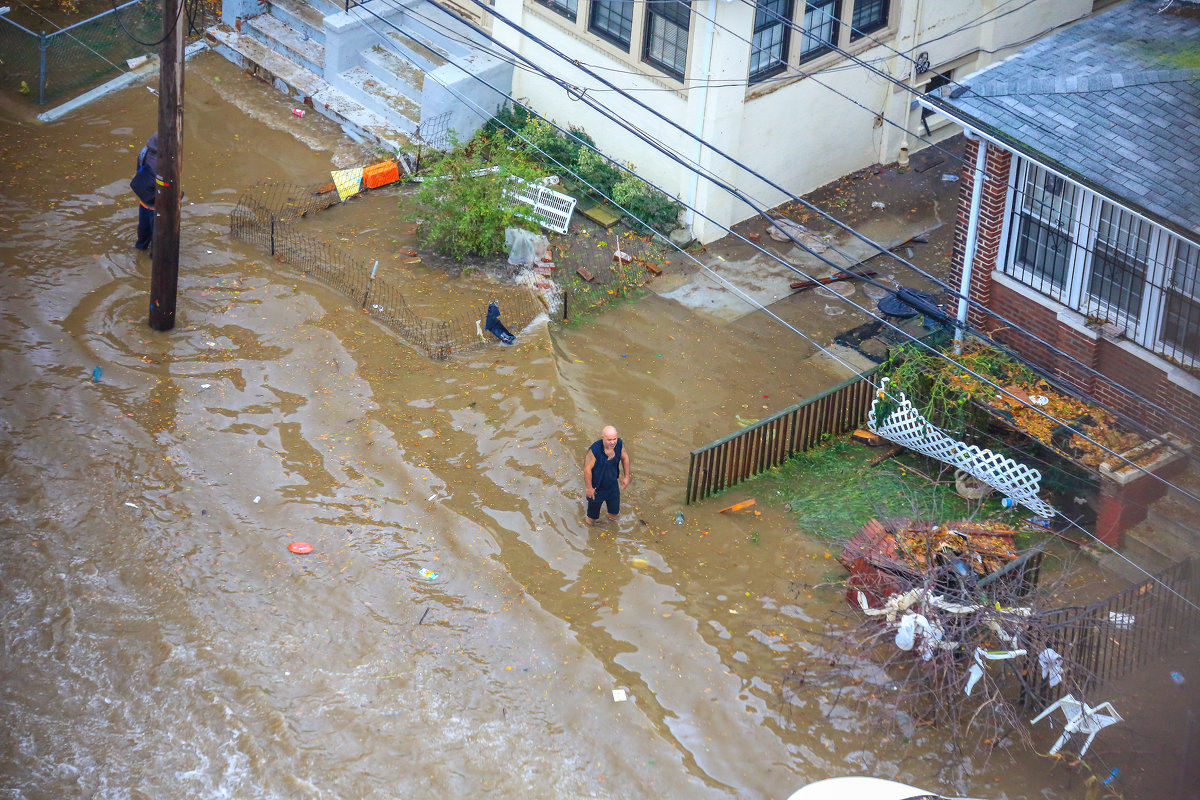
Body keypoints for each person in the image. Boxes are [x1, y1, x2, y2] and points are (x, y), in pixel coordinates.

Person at [583, 425, 630, 526]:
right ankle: (590, 533)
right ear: (603, 437)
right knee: (591, 518)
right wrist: (589, 488)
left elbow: (625, 458)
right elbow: (587, 470)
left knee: (614, 514)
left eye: (614, 439)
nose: (612, 442)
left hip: (612, 485)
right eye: (609, 440)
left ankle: (610, 529)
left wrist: (626, 476)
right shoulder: (594, 450)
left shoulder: (619, 444)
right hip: (597, 488)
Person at [132, 132, 158, 250]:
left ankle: (140, 255)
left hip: (144, 200)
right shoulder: (165, 161)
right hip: (157, 207)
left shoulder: (144, 151)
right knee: (158, 243)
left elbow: (140, 172)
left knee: (143, 235)